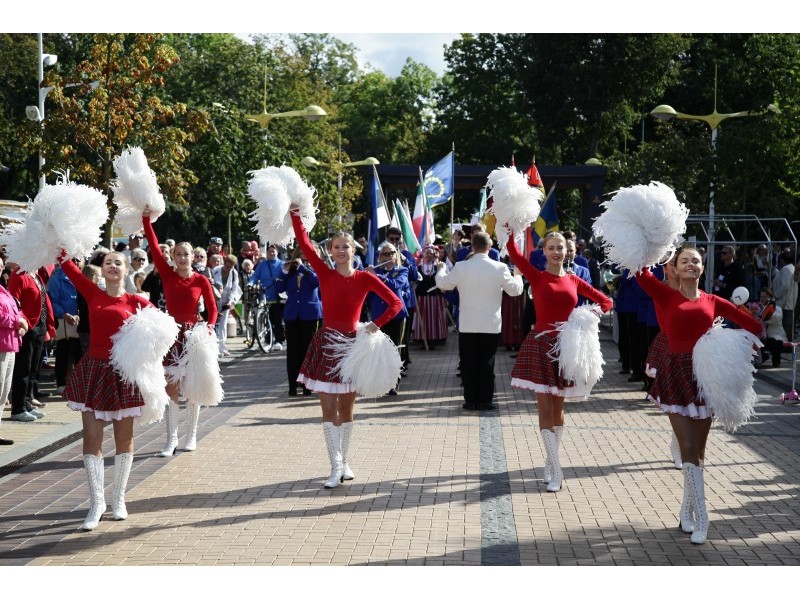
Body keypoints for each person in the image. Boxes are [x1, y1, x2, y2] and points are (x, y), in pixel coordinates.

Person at [636, 246, 761, 545]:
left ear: (702, 268)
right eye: (684, 261)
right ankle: (702, 518)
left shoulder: (712, 300)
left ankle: (686, 511)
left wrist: (741, 342)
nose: (691, 264)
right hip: (675, 376)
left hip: (704, 378)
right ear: (675, 268)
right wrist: (649, 240)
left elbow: (753, 326)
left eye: (696, 261)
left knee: (699, 452)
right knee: (687, 446)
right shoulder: (666, 295)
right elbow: (639, 271)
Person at [290, 212, 403, 489]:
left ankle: (344, 460)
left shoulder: (365, 278)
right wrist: (295, 213)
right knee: (328, 410)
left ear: (355, 250)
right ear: (330, 251)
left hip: (353, 348)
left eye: (346, 246)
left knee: (347, 411)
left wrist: (375, 325)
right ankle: (335, 466)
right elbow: (304, 243)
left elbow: (396, 303)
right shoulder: (324, 273)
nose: (341, 251)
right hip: (327, 345)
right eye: (336, 246)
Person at [505, 231, 612, 492]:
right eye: (551, 247)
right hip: (541, 346)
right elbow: (514, 253)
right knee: (545, 409)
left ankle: (550, 461)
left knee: (559, 410)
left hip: (567, 349)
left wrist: (585, 316)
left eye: (560, 247)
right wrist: (512, 227)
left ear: (567, 251)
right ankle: (556, 467)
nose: (555, 251)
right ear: (544, 251)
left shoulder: (575, 279)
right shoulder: (537, 276)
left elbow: (606, 301)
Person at [58, 250, 153, 530]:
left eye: (118, 263)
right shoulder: (92, 292)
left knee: (124, 440)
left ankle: (118, 499)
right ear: (103, 268)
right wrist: (57, 233)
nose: (112, 265)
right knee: (91, 437)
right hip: (94, 371)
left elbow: (162, 331)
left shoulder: (137, 301)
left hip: (123, 374)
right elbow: (68, 265)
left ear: (126, 271)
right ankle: (96, 503)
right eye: (108, 262)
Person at [143, 211, 219, 456]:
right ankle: (171, 439)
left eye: (187, 254)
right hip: (171, 334)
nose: (184, 258)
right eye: (179, 254)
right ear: (173, 257)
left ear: (193, 256)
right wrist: (146, 220)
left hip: (193, 336)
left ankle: (192, 435)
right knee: (170, 385)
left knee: (192, 386)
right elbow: (154, 247)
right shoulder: (167, 274)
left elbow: (213, 309)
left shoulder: (201, 280)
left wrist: (208, 327)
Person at [436, 231, 523, 412]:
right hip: (490, 324)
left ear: (472, 247)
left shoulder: (461, 266)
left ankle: (470, 400)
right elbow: (515, 291)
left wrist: (441, 269)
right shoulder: (499, 267)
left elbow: (443, 284)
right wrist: (518, 275)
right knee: (487, 363)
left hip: (468, 323)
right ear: (489, 247)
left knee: (469, 363)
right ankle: (485, 400)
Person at [7, 261, 55, 421]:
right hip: (27, 328)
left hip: (38, 326)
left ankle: (27, 403)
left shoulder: (35, 274)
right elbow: (14, 302)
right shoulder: (19, 274)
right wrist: (23, 322)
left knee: (33, 368)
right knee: (23, 368)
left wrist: (47, 327)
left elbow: (43, 300)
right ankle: (18, 408)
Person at [276, 244, 322, 396]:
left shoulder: (317, 267)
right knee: (293, 352)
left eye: (307, 251)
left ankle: (307, 385)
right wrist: (284, 271)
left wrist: (303, 268)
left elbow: (317, 282)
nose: (303, 254)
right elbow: (279, 288)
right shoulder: (291, 269)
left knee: (307, 350)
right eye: (301, 251)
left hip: (310, 314)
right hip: (292, 314)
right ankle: (292, 385)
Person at [366, 242, 410, 396]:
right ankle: (380, 383)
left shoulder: (402, 270)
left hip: (397, 315)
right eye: (385, 254)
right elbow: (369, 293)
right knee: (379, 350)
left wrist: (376, 277)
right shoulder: (375, 270)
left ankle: (392, 384)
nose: (389, 256)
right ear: (380, 257)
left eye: (392, 253)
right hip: (379, 316)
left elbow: (396, 285)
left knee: (394, 350)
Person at [0, 256, 27, 444]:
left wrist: (22, 323)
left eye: (1, 266)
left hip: (10, 344)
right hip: (1, 346)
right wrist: (17, 321)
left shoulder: (3, 288)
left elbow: (17, 309)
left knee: (4, 391)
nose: (1, 269)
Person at [48, 259, 84, 395]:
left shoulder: (81, 275)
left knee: (80, 353)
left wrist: (80, 313)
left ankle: (79, 383)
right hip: (65, 321)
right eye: (73, 259)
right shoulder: (57, 278)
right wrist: (64, 314)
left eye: (78, 259)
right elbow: (53, 300)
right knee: (63, 352)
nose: (76, 262)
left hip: (80, 321)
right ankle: (61, 382)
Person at [249, 243, 286, 351]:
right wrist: (251, 283)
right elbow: (255, 276)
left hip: (278, 296)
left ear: (277, 252)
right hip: (265, 295)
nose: (271, 253)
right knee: (267, 320)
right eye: (269, 251)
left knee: (277, 320)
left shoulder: (282, 264)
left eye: (273, 251)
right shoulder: (262, 265)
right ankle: (268, 340)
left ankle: (279, 340)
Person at [414, 245, 449, 349]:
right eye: (427, 252)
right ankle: (422, 340)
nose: (429, 255)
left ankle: (434, 340)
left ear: (434, 255)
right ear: (423, 254)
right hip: (422, 298)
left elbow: (444, 280)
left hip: (435, 297)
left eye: (431, 253)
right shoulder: (418, 268)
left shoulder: (438, 267)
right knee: (423, 319)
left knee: (434, 319)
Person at [212, 254, 241, 357]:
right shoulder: (215, 270)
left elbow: (234, 288)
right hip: (215, 300)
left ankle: (223, 347)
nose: (228, 269)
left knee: (223, 324)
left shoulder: (234, 273)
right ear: (224, 263)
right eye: (227, 266)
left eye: (231, 266)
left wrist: (230, 301)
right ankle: (214, 348)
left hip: (226, 300)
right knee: (214, 323)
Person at [753, 287, 786, 368]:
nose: (762, 299)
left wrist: (762, 313)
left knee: (776, 343)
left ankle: (776, 361)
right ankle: (762, 358)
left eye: (765, 297)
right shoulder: (757, 307)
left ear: (770, 298)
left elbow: (772, 318)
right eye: (761, 297)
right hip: (761, 337)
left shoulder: (777, 309)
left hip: (774, 337)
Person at [773, 249, 796, 342]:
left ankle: (787, 344)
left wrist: (776, 294)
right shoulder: (791, 268)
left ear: (782, 260)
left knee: (786, 324)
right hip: (787, 300)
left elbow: (785, 285)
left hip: (784, 301)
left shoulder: (786, 269)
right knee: (787, 324)